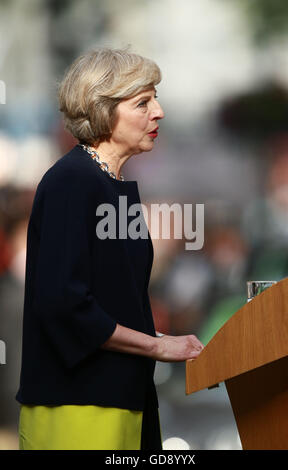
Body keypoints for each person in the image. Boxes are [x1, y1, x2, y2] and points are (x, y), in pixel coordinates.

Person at [15, 47, 204, 450]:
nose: (159, 112)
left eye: (156, 98)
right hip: (79, 403)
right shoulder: (73, 181)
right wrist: (157, 345)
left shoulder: (109, 184)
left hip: (123, 397)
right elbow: (65, 304)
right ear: (103, 110)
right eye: (143, 102)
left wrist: (166, 340)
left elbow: (114, 305)